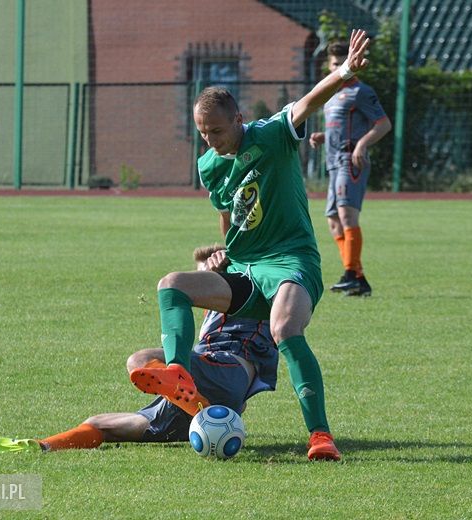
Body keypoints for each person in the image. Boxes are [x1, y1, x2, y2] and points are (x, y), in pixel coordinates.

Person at [128, 29, 373, 462]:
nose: (211, 141)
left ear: (239, 119)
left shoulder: (271, 135)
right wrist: (225, 252)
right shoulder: (210, 164)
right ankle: (178, 370)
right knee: (172, 284)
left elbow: (308, 101)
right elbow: (229, 217)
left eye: (218, 131)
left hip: (290, 262)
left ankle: (320, 436)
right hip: (245, 268)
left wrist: (346, 72)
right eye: (203, 134)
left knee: (284, 330)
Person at [0, 245, 278, 454]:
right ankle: (41, 446)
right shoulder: (209, 317)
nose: (199, 284)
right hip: (204, 389)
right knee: (101, 424)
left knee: (141, 360)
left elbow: (245, 243)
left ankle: (197, 402)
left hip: (225, 368)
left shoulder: (251, 294)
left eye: (204, 274)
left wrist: (225, 263)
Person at [309, 41, 392, 297]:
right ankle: (358, 277)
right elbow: (342, 124)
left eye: (342, 62)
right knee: (333, 222)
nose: (338, 67)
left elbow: (383, 124)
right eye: (334, 63)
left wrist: (361, 146)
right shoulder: (331, 94)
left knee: (346, 216)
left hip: (349, 160)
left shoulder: (361, 92)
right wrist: (324, 136)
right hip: (333, 163)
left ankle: (350, 273)